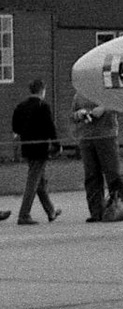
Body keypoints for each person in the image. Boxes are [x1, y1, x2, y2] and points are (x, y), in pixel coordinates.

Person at [73, 90, 123, 222]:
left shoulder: (106, 90)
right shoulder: (79, 94)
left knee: (113, 173)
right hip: (86, 137)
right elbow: (73, 115)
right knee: (91, 176)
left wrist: (104, 108)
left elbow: (119, 104)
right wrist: (78, 114)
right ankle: (96, 212)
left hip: (106, 135)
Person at [11, 79, 60, 224]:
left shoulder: (21, 106)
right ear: (42, 90)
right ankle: (23, 214)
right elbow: (50, 127)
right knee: (33, 182)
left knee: (40, 182)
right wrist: (56, 144)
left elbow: (16, 127)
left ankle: (50, 211)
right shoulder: (42, 106)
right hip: (40, 148)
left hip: (27, 147)